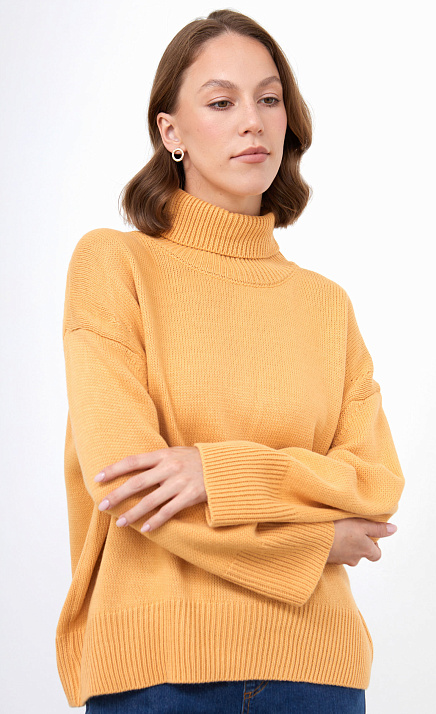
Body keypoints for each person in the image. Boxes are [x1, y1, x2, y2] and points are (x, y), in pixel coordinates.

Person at [56, 8, 405, 713]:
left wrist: (213, 472)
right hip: (160, 672)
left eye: (269, 99)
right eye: (221, 102)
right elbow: (128, 486)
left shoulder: (325, 303)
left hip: (318, 673)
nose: (253, 122)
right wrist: (314, 541)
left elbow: (373, 482)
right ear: (171, 132)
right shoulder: (115, 264)